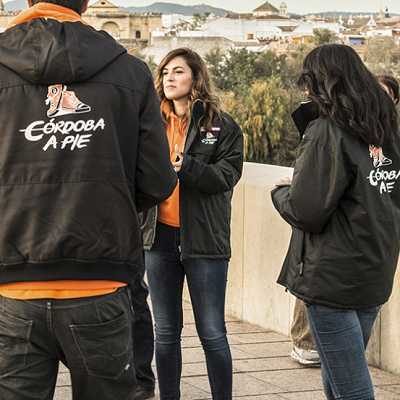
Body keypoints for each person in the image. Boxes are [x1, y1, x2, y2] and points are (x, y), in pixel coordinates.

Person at [0, 0, 177, 399]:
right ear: (84, 3)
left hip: (12, 283)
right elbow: (156, 181)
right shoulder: (130, 72)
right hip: (101, 278)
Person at [272, 44, 400, 400]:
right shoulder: (386, 131)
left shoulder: (328, 130)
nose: (305, 89)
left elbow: (307, 211)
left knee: (351, 386)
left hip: (333, 277)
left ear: (322, 82)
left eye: (308, 81)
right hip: (374, 269)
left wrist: (280, 193)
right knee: (339, 373)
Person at [141, 48, 243, 400]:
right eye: (165, 71)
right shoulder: (150, 123)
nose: (169, 77)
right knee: (166, 332)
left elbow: (227, 176)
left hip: (205, 240)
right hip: (159, 239)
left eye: (179, 71)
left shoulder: (222, 125)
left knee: (212, 332)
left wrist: (187, 167)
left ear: (196, 77)